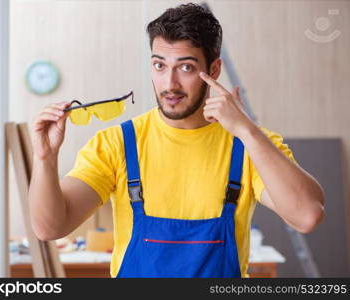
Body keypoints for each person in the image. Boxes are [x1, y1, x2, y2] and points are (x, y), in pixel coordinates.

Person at [28, 3, 325, 278]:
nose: (169, 85)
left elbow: (307, 216)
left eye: (185, 67)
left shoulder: (248, 145)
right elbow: (50, 227)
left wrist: (247, 131)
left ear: (214, 70)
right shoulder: (117, 143)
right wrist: (46, 159)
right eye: (159, 66)